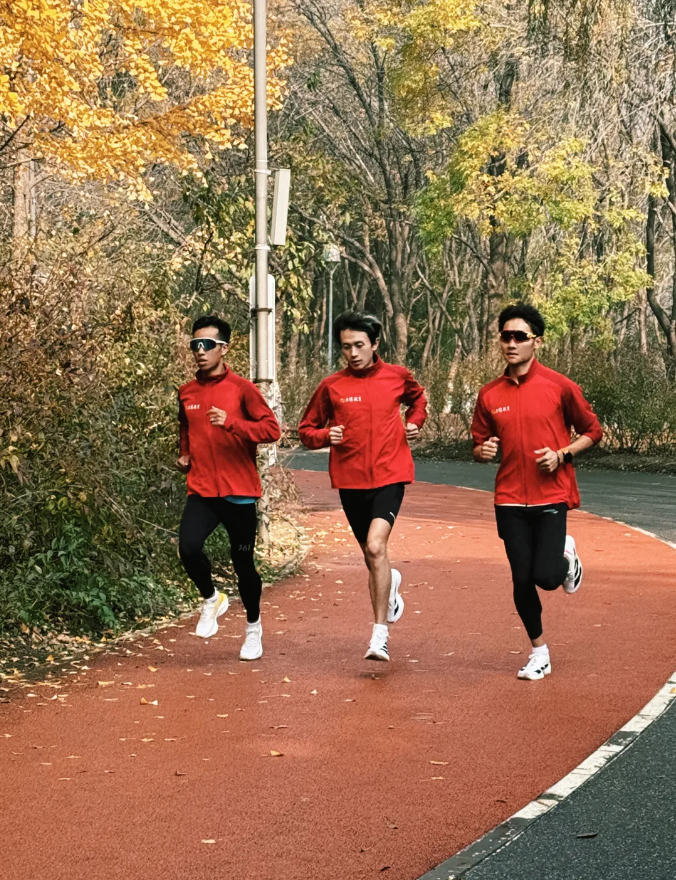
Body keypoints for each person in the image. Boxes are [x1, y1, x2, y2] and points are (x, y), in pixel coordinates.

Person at [471, 303, 603, 680]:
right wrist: (483, 451)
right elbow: (478, 443)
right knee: (521, 578)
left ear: (537, 341)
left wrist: (561, 455)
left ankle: (566, 558)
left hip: (551, 495)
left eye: (520, 336)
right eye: (506, 336)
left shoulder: (559, 386)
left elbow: (593, 431)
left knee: (546, 576)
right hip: (509, 499)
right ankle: (539, 652)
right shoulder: (489, 394)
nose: (511, 343)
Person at [299, 311, 427, 661]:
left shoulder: (397, 376)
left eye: (359, 345)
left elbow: (418, 400)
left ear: (375, 344)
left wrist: (414, 422)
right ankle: (391, 584)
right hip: (350, 481)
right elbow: (306, 430)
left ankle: (379, 636)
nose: (353, 353)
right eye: (346, 347)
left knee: (375, 546)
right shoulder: (332, 386)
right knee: (374, 558)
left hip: (390, 475)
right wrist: (325, 435)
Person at [177, 315, 280, 660]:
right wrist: (184, 453)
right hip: (202, 490)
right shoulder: (186, 392)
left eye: (207, 344)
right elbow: (185, 427)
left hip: (239, 492)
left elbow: (271, 430)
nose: (199, 351)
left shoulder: (242, 389)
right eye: (195, 345)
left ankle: (253, 628)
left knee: (243, 564)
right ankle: (212, 599)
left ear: (223, 348)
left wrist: (232, 422)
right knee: (188, 549)